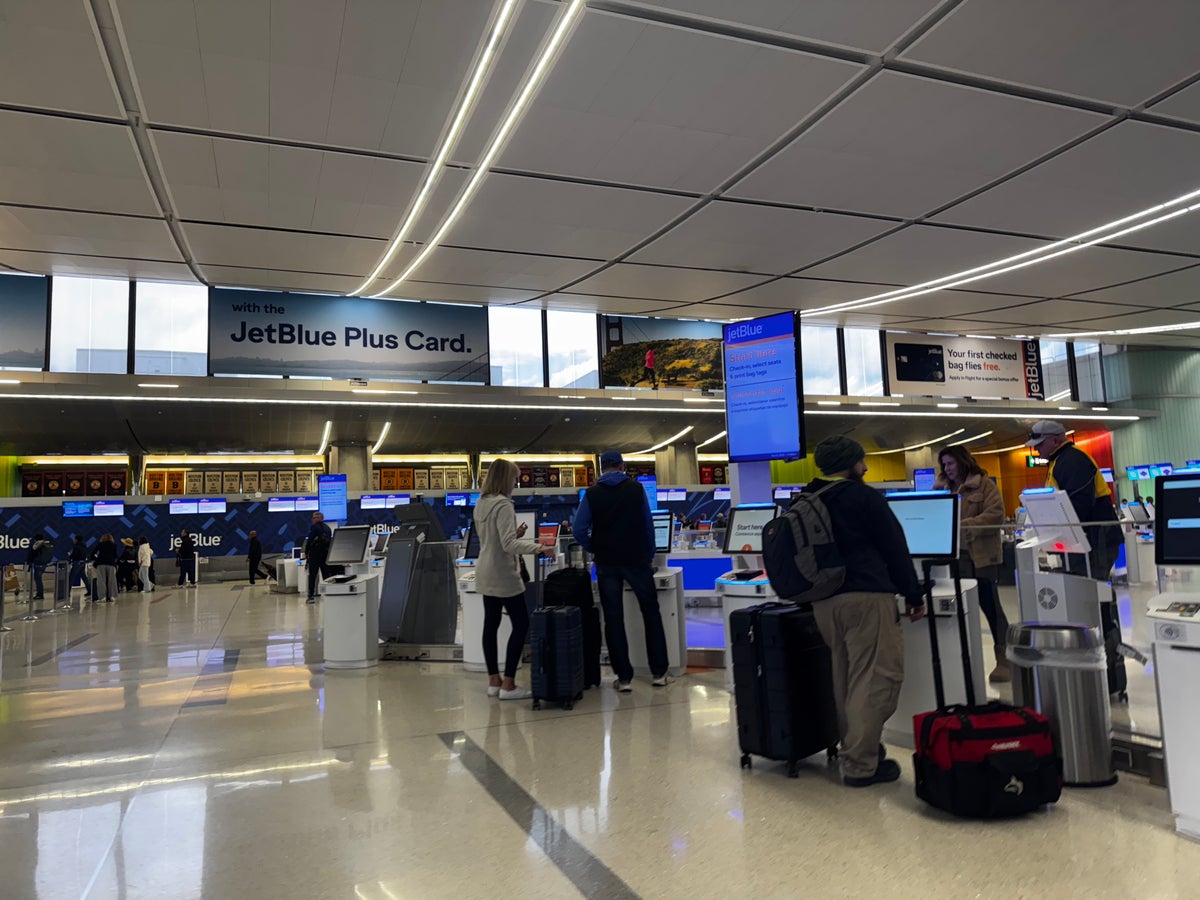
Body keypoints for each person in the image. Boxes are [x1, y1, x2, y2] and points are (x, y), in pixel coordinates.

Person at [804, 435, 926, 787]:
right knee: (876, 679)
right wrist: (913, 594)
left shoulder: (809, 497)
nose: (866, 467)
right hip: (866, 599)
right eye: (862, 461)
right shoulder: (863, 497)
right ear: (851, 464)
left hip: (824, 603)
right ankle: (860, 764)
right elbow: (894, 547)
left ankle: (858, 747)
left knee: (845, 680)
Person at [573, 450, 673, 691]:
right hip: (636, 560)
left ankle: (625, 678)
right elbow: (648, 526)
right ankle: (659, 673)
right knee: (651, 613)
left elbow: (578, 529)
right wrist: (648, 555)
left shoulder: (592, 494)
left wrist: (594, 546)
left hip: (607, 563)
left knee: (614, 618)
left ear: (602, 468)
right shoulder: (636, 490)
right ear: (622, 466)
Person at [935, 445, 1010, 683]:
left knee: (991, 606)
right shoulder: (945, 488)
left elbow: (996, 515)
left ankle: (1004, 660)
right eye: (944, 465)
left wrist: (962, 524)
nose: (947, 469)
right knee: (956, 607)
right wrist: (937, 489)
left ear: (963, 461)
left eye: (951, 463)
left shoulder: (985, 485)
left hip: (980, 555)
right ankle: (960, 657)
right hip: (954, 557)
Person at [474, 458, 543, 701]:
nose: (516, 482)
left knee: (490, 624)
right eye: (515, 478)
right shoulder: (504, 505)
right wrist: (539, 548)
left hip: (485, 570)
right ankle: (509, 685)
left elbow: (492, 539)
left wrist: (516, 533)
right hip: (503, 573)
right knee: (521, 624)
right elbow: (508, 545)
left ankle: (494, 680)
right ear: (505, 479)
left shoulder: (481, 503)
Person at [1025, 421, 1122, 577]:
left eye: (1040, 444)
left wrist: (1056, 530)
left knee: (1092, 589)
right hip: (1084, 541)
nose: (1036, 448)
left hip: (1094, 542)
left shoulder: (1073, 461)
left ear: (1055, 440)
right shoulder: (1059, 461)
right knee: (1088, 589)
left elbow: (1079, 504)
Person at [304, 512, 333, 604]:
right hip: (325, 554)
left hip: (315, 555)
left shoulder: (314, 527)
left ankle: (311, 596)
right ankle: (328, 594)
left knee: (312, 575)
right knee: (326, 575)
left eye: (314, 518)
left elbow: (310, 540)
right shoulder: (328, 528)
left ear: (319, 518)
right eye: (313, 518)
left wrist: (306, 552)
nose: (313, 519)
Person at [91, 533, 119, 602]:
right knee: (112, 580)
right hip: (111, 564)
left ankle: (102, 597)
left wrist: (96, 559)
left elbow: (92, 553)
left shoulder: (100, 544)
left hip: (101, 563)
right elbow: (115, 555)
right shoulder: (114, 545)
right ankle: (112, 596)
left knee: (101, 581)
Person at [26, 532, 53, 600]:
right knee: (39, 579)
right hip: (44, 563)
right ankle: (40, 593)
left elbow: (32, 554)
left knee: (38, 579)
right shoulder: (46, 544)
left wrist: (29, 561)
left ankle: (40, 594)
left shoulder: (37, 544)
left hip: (38, 564)